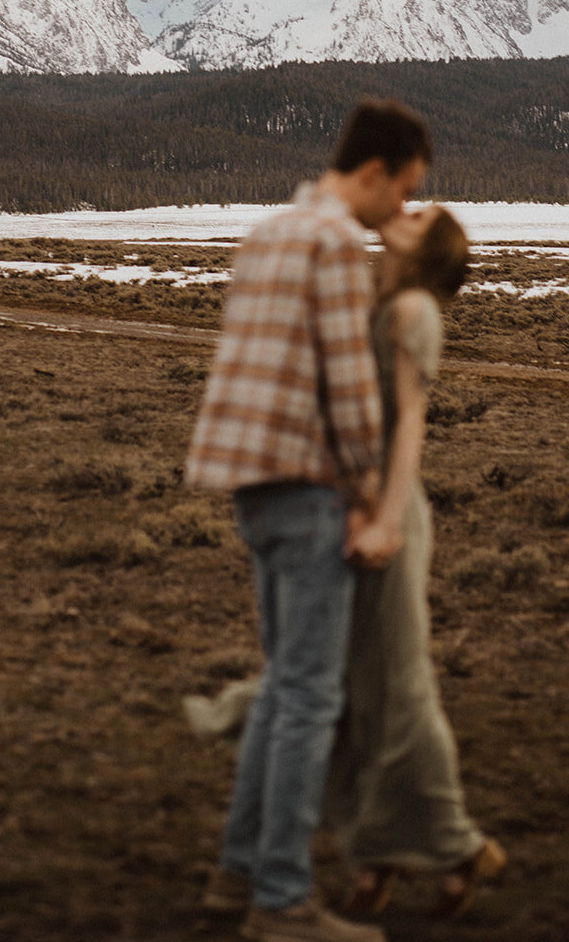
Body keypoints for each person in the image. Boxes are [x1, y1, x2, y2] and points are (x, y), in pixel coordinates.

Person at [185, 98, 432, 942]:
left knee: (284, 688)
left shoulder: (269, 229)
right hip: (307, 488)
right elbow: (350, 387)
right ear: (371, 174)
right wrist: (372, 499)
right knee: (307, 699)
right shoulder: (331, 242)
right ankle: (281, 900)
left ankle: (237, 876)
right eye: (404, 191)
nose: (401, 210)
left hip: (248, 485)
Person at [323, 203, 506, 919]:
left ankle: (452, 843)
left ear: (428, 247)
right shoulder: (389, 302)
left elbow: (409, 428)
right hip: (361, 510)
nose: (404, 209)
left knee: (397, 689)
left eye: (421, 214)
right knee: (358, 690)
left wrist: (384, 521)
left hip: (388, 519)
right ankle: (377, 855)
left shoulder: (412, 312)